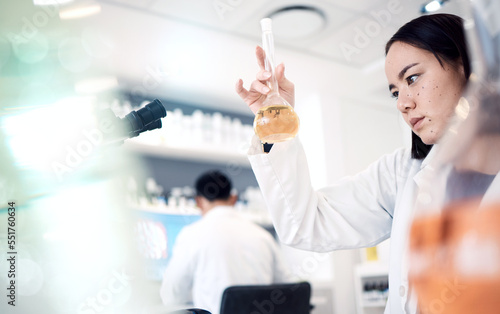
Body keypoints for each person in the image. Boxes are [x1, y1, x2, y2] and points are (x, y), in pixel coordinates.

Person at [235, 13, 471, 314]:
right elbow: (307, 225)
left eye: (412, 78)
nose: (402, 102)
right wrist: (276, 127)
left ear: (466, 66)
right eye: (395, 92)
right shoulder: (402, 173)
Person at [159, 170, 291, 314]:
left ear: (198, 202)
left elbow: (171, 295)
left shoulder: (192, 234)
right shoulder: (264, 236)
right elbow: (287, 289)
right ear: (233, 198)